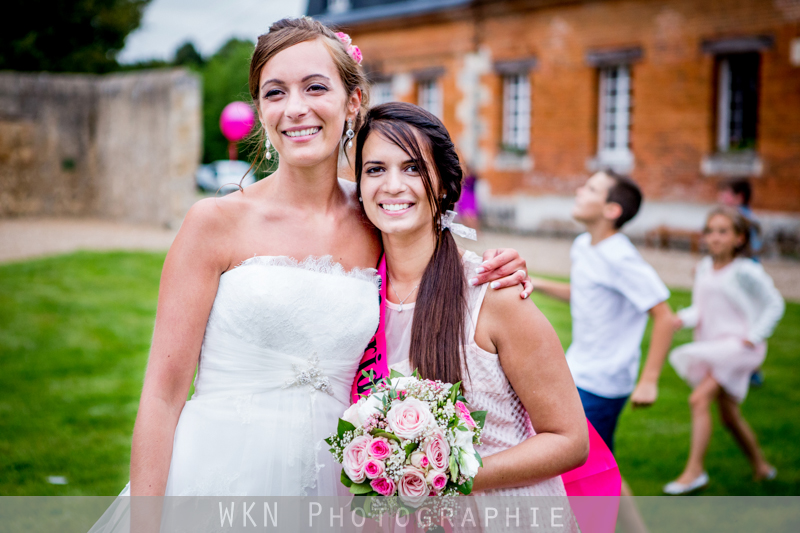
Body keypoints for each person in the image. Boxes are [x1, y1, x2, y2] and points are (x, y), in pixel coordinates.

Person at [87, 18, 531, 529]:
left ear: (352, 101)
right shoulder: (214, 223)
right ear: (261, 111)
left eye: (315, 87)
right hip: (214, 475)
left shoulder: (375, 221)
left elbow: (438, 276)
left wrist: (505, 269)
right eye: (275, 93)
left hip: (334, 488)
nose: (295, 108)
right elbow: (162, 397)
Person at [354, 102, 589, 497]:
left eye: (413, 168)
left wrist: (437, 474)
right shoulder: (355, 298)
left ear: (444, 185)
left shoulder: (494, 294)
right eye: (375, 169)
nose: (392, 185)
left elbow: (569, 439)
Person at [663, 207, 784, 495]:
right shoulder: (705, 268)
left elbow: (775, 304)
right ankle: (762, 467)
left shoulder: (746, 271)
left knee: (699, 398)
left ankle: (694, 472)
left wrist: (754, 336)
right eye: (710, 231)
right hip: (714, 348)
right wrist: (683, 319)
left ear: (739, 238)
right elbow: (702, 309)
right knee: (729, 416)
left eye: (722, 231)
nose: (714, 238)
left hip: (739, 349)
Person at [718, 178, 766, 388]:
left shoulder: (744, 221)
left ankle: (752, 370)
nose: (721, 197)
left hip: (743, 281)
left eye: (726, 193)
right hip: (736, 277)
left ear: (739, 197)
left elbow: (750, 254)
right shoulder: (734, 218)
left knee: (746, 322)